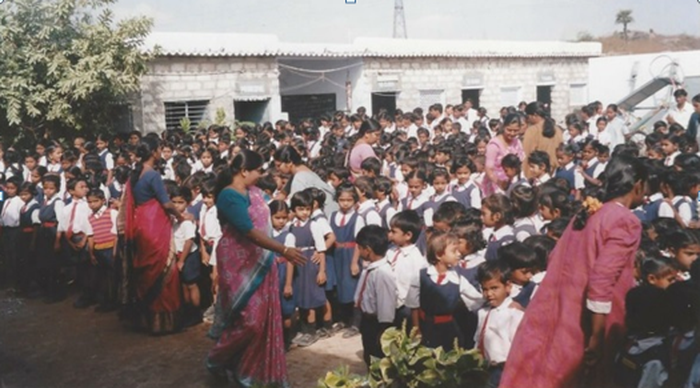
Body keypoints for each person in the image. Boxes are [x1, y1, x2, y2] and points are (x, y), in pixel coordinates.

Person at [500, 155, 648, 388]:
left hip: (557, 312)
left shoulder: (588, 213)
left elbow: (555, 257)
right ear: (638, 185)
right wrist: (598, 338)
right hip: (588, 324)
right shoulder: (625, 220)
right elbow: (602, 280)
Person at [206, 149, 305, 386]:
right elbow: (249, 231)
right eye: (258, 171)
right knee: (247, 322)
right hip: (237, 263)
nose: (261, 175)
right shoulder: (229, 196)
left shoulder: (254, 192)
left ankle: (246, 371)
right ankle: (217, 359)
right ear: (243, 171)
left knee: (260, 321)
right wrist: (283, 250)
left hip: (260, 261)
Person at [121, 135, 189, 334]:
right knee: (164, 269)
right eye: (159, 149)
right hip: (155, 223)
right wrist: (181, 216)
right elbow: (167, 203)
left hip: (141, 220)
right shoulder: (152, 175)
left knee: (146, 269)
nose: (161, 152)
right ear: (153, 152)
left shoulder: (136, 174)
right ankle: (164, 321)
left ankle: (146, 319)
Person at [415, 231, 483, 351]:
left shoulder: (457, 280)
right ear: (439, 255)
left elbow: (477, 300)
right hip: (425, 327)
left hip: (448, 331)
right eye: (453, 251)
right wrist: (416, 329)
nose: (459, 254)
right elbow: (413, 305)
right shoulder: (421, 276)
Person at [474, 261, 524, 388]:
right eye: (485, 289)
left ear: (508, 286)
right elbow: (478, 340)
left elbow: (519, 349)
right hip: (486, 369)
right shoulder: (483, 313)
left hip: (505, 370)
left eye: (494, 288)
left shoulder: (514, 314)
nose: (489, 294)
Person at [355, 224, 396, 366]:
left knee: (377, 357)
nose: (358, 251)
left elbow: (386, 304)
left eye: (359, 248)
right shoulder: (370, 267)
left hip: (377, 324)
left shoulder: (382, 273)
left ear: (367, 250)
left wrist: (383, 330)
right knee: (369, 355)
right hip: (366, 319)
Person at [275, 145, 338, 217]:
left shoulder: (300, 178)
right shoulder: (302, 172)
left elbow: (296, 209)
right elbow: (282, 195)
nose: (277, 169)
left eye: (279, 165)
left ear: (289, 163)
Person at [86, 189, 119, 312]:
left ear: (103, 200)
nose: (92, 204)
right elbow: (90, 236)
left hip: (111, 248)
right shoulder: (90, 217)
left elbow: (116, 234)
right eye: (89, 202)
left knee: (113, 276)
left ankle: (114, 302)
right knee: (102, 278)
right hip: (98, 249)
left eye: (95, 201)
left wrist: (115, 251)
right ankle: (106, 302)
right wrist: (91, 253)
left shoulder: (111, 213)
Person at [483, 113, 525, 196]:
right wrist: (499, 182)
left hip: (514, 183)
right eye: (509, 130)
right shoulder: (494, 145)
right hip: (496, 185)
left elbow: (522, 161)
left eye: (516, 130)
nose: (512, 133)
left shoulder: (517, 143)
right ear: (503, 127)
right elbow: (489, 168)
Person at [523, 101, 564, 179]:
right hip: (555, 173)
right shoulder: (557, 129)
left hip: (538, 174)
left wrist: (527, 177)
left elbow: (527, 155)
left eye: (528, 116)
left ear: (534, 115)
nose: (527, 120)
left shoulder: (532, 131)